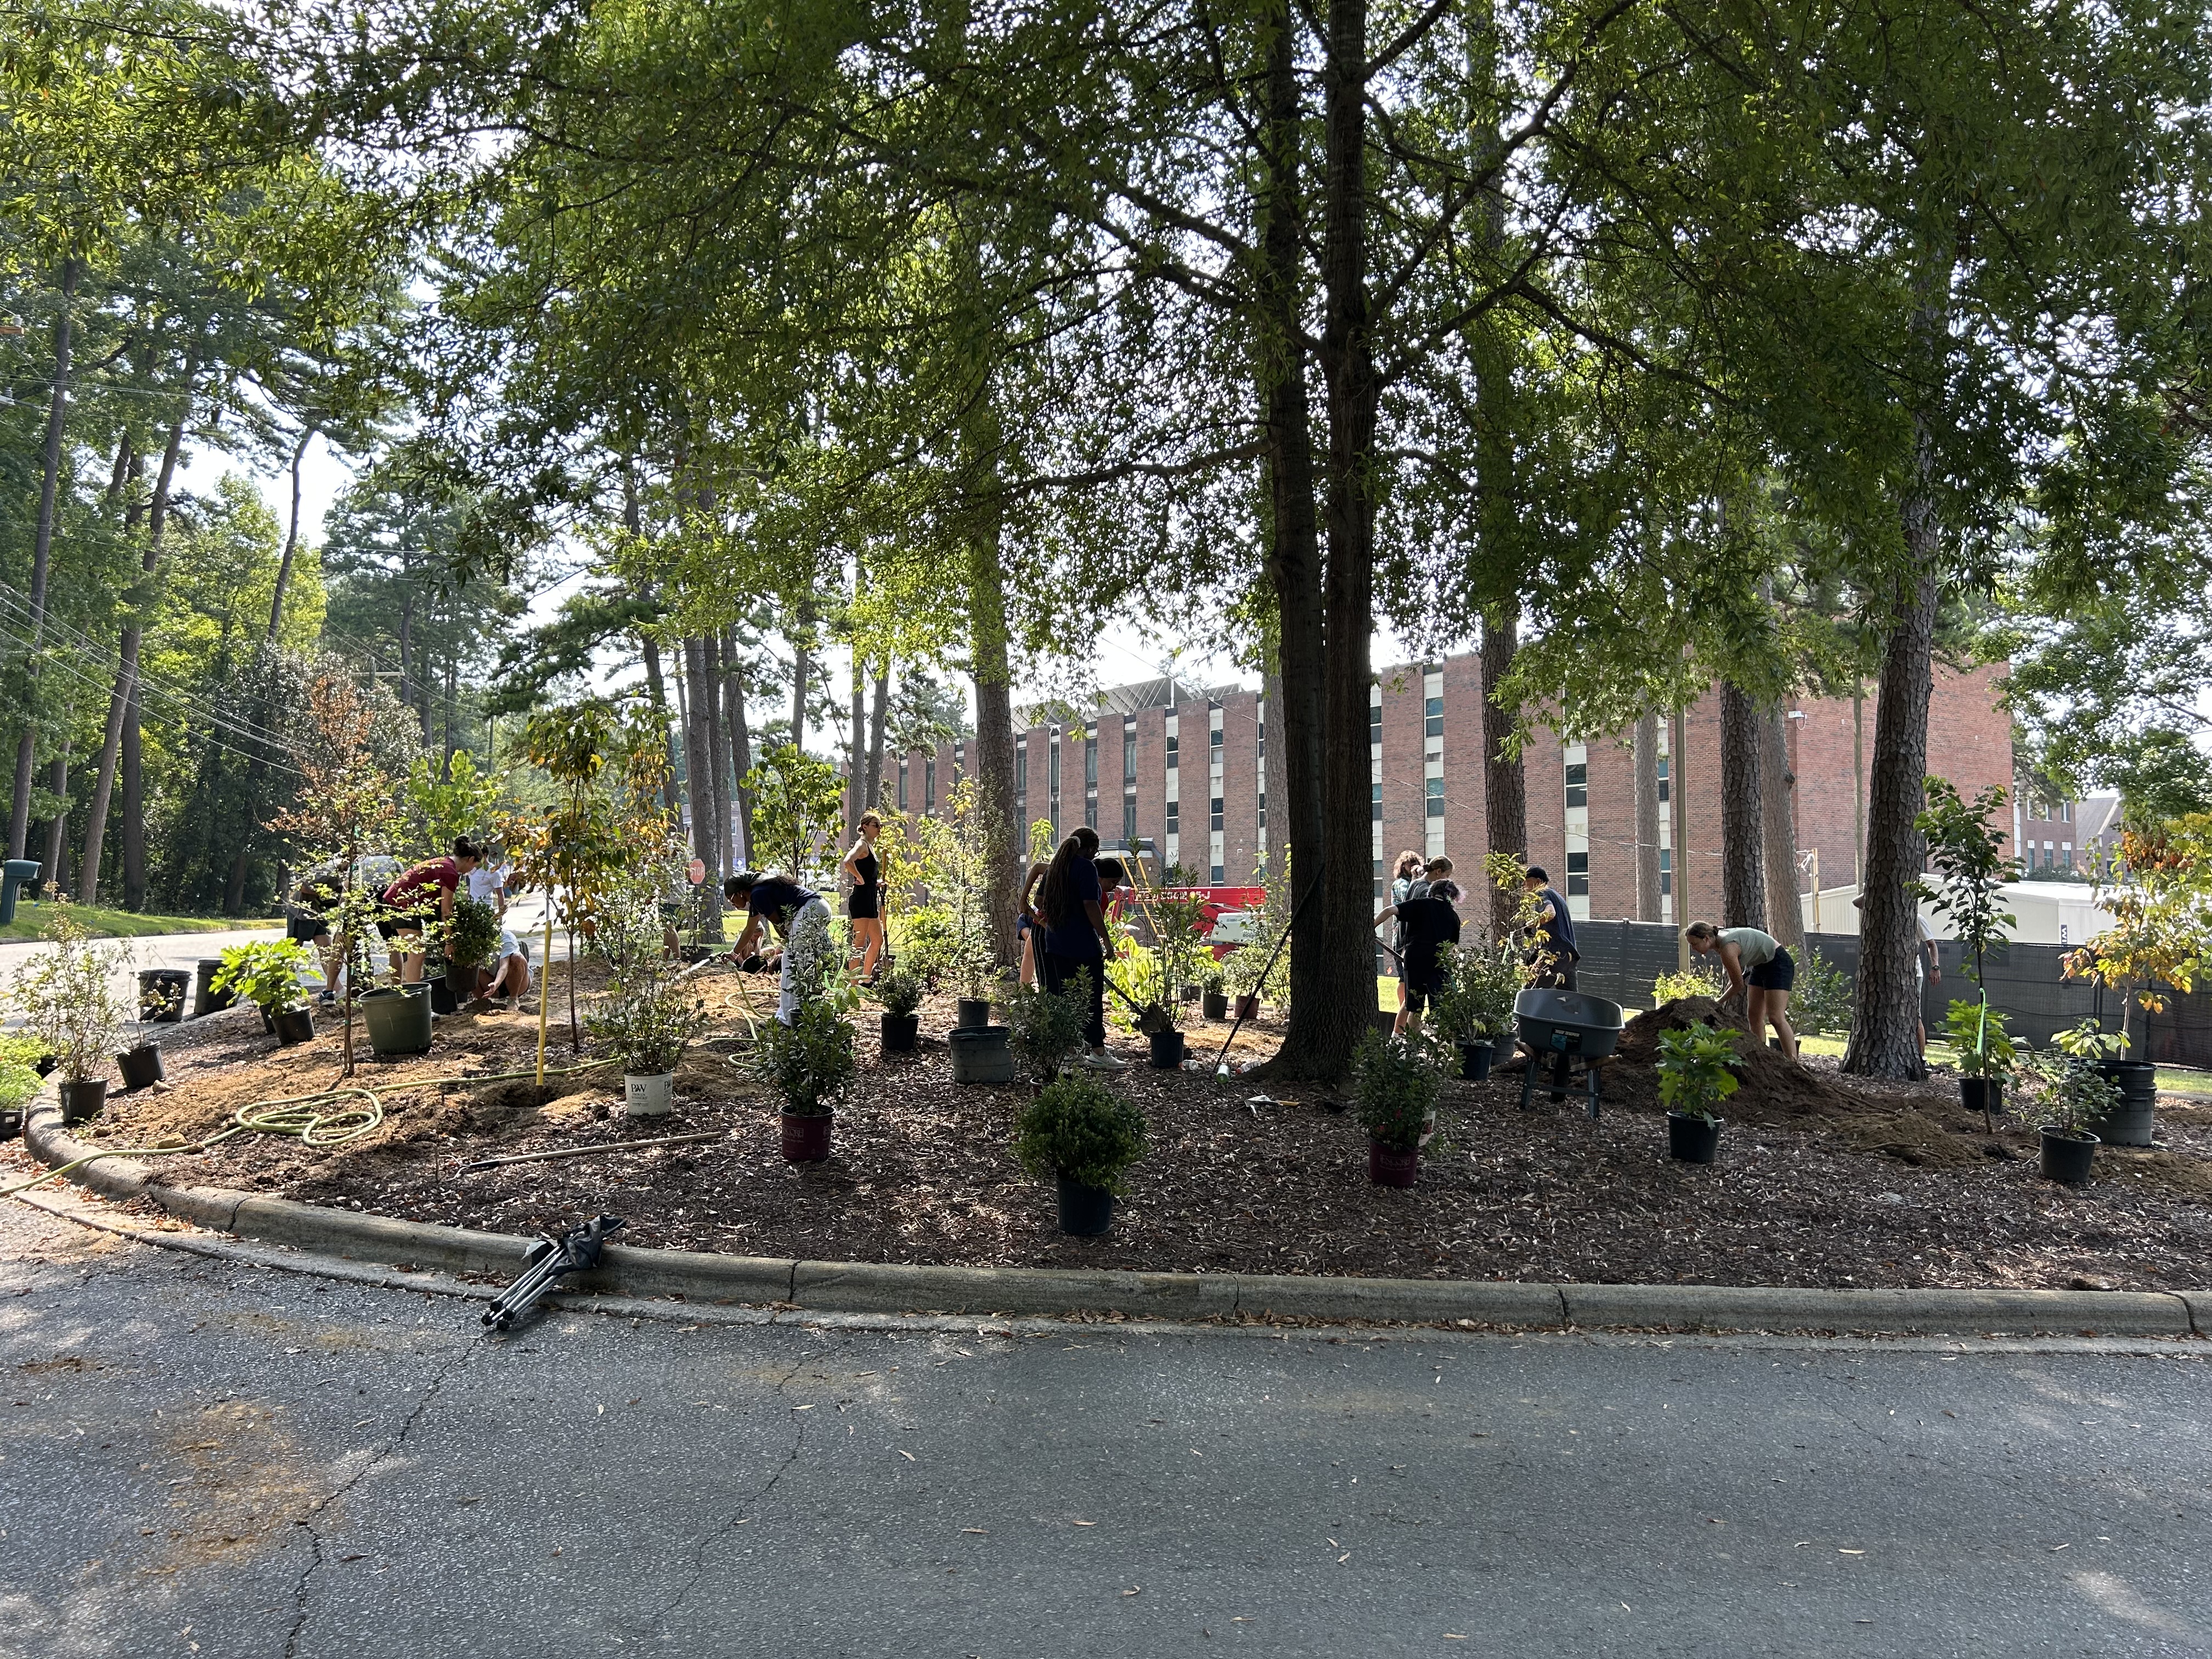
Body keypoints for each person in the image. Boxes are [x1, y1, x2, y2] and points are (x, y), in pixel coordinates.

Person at [1035, 827, 1125, 1070]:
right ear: (1090, 849)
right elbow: (1091, 906)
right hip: (1083, 944)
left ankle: (1069, 1051)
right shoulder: (1086, 868)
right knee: (1090, 996)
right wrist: (1106, 939)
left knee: (1061, 995)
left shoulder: (1055, 868)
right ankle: (1097, 1051)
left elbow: (1038, 902)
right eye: (1095, 852)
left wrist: (1051, 919)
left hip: (1054, 942)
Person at [725, 870, 833, 1024]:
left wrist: (788, 941)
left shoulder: (758, 894)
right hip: (819, 907)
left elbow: (778, 922)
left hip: (809, 910)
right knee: (806, 964)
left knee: (791, 964)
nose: (733, 905)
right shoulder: (757, 896)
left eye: (731, 900)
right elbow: (749, 930)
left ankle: (787, 1020)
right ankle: (809, 1013)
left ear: (740, 893)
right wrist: (734, 954)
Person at [377, 837, 484, 985]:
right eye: (475, 866)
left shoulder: (445, 863)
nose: (472, 870)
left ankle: (409, 994)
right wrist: (449, 942)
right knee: (417, 954)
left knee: (414, 953)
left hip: (397, 901)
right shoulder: (450, 872)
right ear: (471, 859)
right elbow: (446, 911)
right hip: (401, 903)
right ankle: (413, 1000)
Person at [1685, 921, 1798, 1060]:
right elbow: (1748, 947)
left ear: (1707, 939)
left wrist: (1718, 1002)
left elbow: (1738, 986)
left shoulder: (1727, 948)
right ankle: (1760, 1058)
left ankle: (1793, 1062)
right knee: (1754, 1016)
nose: (1693, 948)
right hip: (1759, 965)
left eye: (1694, 944)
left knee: (1775, 1017)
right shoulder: (1719, 941)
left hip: (1777, 962)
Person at [1852, 895, 1940, 1058]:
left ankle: (1921, 1058)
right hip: (1887, 973)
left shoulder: (1917, 919)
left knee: (1915, 1015)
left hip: (1913, 974)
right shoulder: (1886, 915)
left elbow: (1931, 944)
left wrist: (1935, 967)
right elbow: (1857, 902)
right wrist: (1873, 887)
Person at [1374, 879, 1462, 1038]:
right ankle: (1448, 1045)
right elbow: (1452, 948)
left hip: (1414, 959)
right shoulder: (1453, 917)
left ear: (1432, 891)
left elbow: (1389, 910)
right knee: (1441, 1006)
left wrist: (1372, 926)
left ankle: (1409, 1047)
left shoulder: (1420, 904)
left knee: (1415, 1006)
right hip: (1437, 963)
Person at [841, 812, 886, 983]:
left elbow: (867, 873)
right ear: (865, 826)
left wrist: (875, 882)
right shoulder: (861, 844)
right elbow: (848, 861)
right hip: (860, 900)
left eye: (880, 825)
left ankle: (865, 980)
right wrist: (859, 878)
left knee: (877, 940)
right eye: (876, 825)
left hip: (870, 899)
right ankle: (853, 985)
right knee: (859, 942)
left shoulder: (870, 846)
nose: (879, 828)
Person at [1522, 866, 1579, 988]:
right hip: (1569, 955)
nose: (1524, 884)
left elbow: (1550, 913)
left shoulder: (1541, 893)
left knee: (1529, 991)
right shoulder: (1557, 896)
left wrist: (1531, 923)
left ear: (1538, 881)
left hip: (1554, 954)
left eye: (1527, 880)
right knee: (1569, 999)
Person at [1017, 860, 1049, 989]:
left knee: (1033, 946)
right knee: (1031, 945)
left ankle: (1028, 985)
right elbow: (1038, 867)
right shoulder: (1061, 868)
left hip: (1038, 920)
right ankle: (1024, 988)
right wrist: (1023, 900)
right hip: (1028, 920)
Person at [484, 927, 532, 1011]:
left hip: (516, 981)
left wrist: (496, 983)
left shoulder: (506, 936)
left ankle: (513, 999)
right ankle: (482, 1001)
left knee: (517, 958)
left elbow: (504, 966)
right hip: (489, 979)